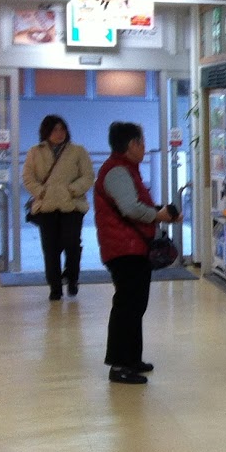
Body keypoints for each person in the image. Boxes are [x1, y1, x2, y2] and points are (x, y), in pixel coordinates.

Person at [93, 121, 179, 386]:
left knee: (135, 305)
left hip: (132, 246)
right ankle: (119, 364)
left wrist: (158, 211)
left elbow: (133, 204)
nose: (144, 147)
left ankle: (131, 359)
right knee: (127, 306)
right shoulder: (117, 171)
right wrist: (158, 214)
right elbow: (130, 208)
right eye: (142, 142)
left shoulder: (127, 169)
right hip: (124, 248)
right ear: (131, 144)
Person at [23, 114, 95, 301]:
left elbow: (88, 176)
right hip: (46, 207)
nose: (59, 133)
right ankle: (54, 286)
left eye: (62, 129)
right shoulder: (35, 152)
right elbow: (28, 178)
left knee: (72, 244)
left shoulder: (78, 151)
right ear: (46, 131)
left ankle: (72, 278)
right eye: (55, 129)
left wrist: (71, 190)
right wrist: (41, 192)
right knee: (50, 248)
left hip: (72, 205)